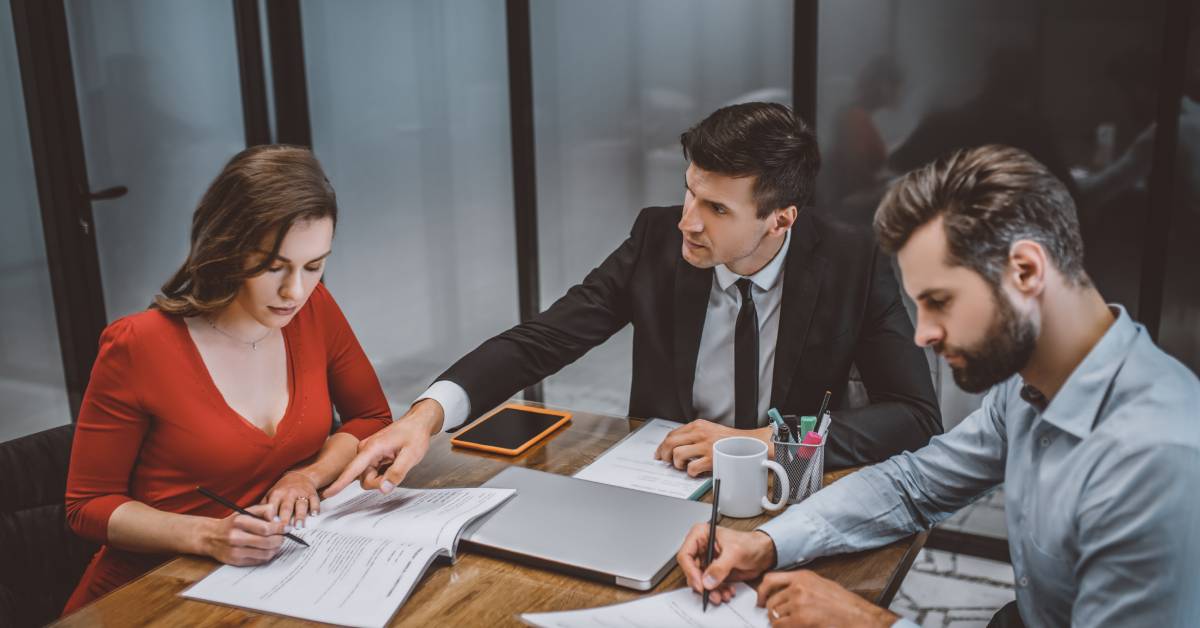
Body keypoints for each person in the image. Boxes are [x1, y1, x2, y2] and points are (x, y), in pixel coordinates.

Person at [675, 145, 1200, 627]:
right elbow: (914, 484)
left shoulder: (1154, 459)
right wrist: (766, 543)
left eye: (940, 301)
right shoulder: (1028, 388)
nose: (923, 334)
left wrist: (873, 623)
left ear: (1024, 270)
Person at [327, 102, 941, 497]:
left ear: (781, 218)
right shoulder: (657, 240)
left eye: (717, 209)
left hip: (786, 485)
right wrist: (424, 417)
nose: (688, 223)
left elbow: (914, 414)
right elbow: (542, 340)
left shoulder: (852, 260)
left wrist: (767, 444)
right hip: (661, 481)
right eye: (689, 193)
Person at [62, 145, 394, 613]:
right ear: (227, 248)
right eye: (273, 266)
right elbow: (87, 506)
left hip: (271, 585)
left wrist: (308, 476)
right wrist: (207, 534)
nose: (294, 291)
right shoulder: (138, 345)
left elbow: (372, 418)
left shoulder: (315, 310)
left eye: (314, 267)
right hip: (148, 596)